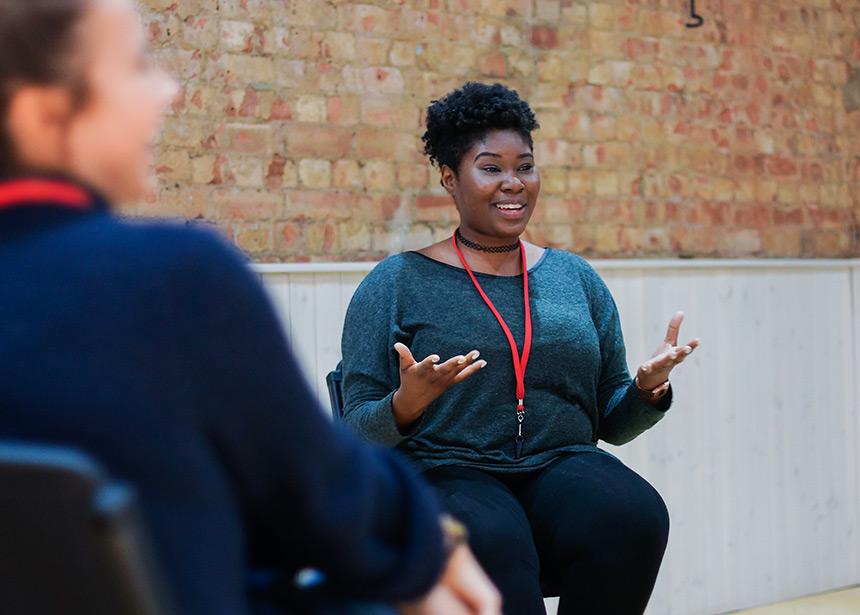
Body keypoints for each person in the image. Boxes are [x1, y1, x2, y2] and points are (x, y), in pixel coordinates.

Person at [0, 1, 501, 614]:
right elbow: (318, 491)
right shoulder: (170, 278)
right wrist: (435, 546)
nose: (167, 90)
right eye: (135, 67)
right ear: (41, 110)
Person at [341, 82, 701, 615]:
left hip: (562, 461)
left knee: (632, 514)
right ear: (450, 178)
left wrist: (649, 392)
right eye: (491, 167)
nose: (514, 183)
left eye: (525, 166)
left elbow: (613, 425)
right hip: (446, 467)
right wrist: (406, 404)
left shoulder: (574, 277)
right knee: (490, 542)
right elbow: (352, 433)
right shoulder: (396, 282)